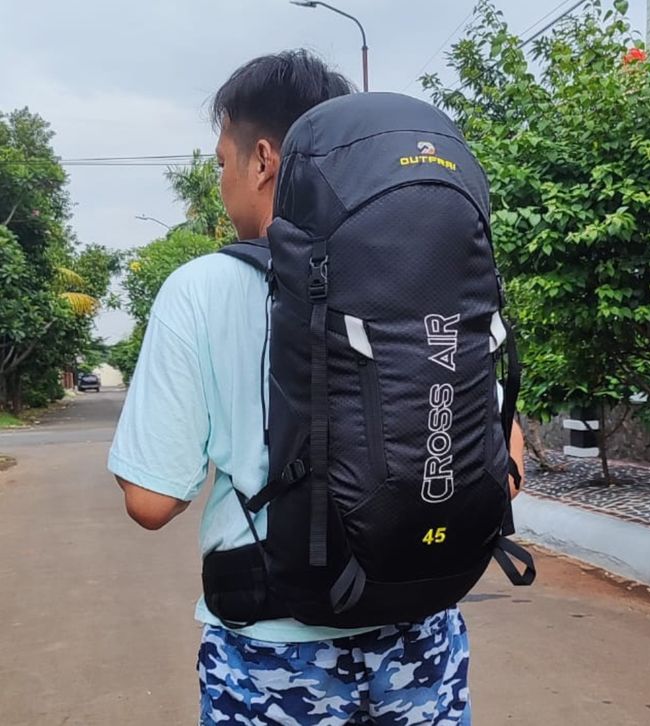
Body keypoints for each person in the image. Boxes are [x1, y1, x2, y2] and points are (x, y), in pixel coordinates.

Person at [109, 49, 525, 725]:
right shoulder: (429, 282)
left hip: (271, 657)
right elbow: (504, 469)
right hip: (422, 641)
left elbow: (151, 502)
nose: (222, 183)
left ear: (263, 159)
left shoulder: (201, 289)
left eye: (222, 162)